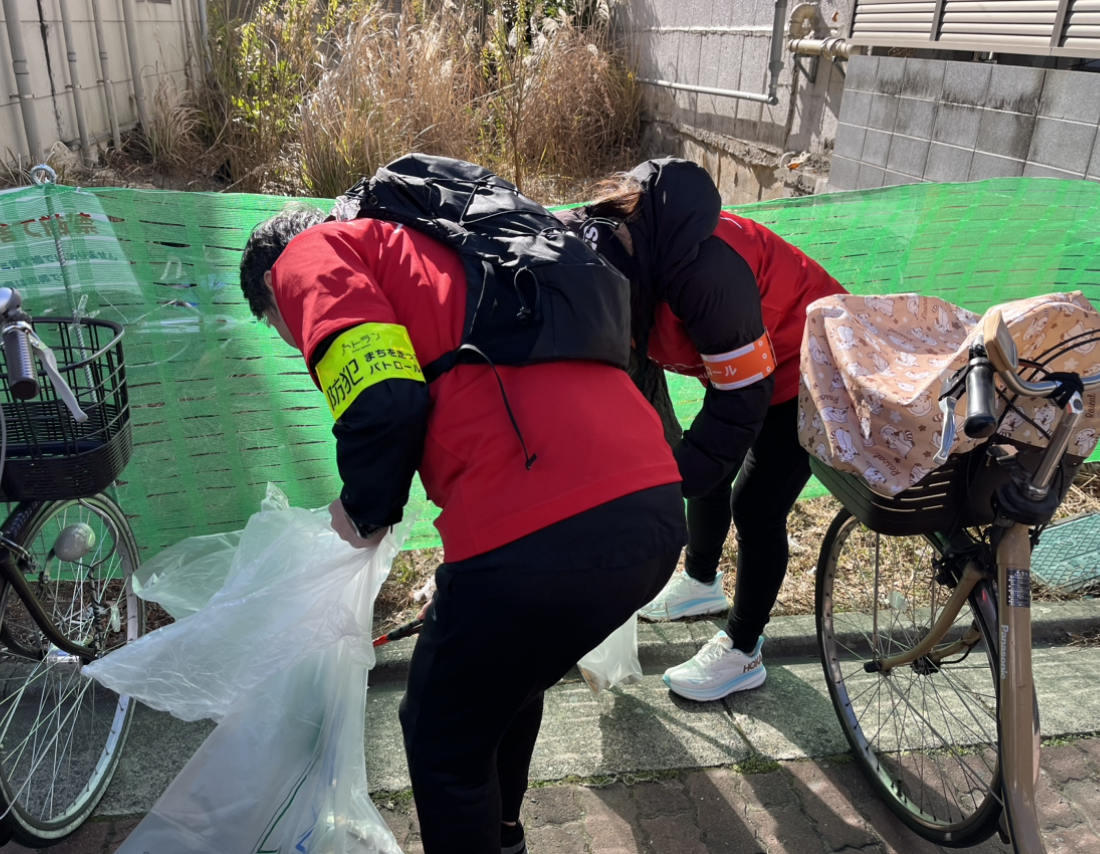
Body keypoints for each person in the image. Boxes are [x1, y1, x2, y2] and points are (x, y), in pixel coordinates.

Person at [237, 206, 687, 854]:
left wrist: (363, 512)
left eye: (279, 326)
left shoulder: (309, 255)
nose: (293, 339)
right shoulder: (433, 247)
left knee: (440, 740)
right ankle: (505, 837)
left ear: (272, 289)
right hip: (650, 505)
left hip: (539, 529)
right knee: (507, 681)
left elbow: (385, 400)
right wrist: (467, 583)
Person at [556, 158, 847, 703]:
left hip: (807, 364)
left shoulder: (706, 275)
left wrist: (671, 486)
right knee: (698, 459)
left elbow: (743, 398)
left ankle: (744, 651)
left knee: (755, 505)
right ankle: (701, 583)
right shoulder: (602, 250)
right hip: (741, 363)